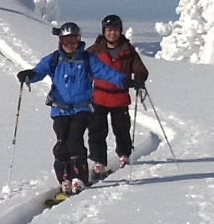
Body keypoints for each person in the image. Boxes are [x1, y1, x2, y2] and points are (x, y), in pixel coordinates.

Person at [16, 22, 127, 194]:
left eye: (73, 41)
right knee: (62, 145)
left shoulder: (87, 59)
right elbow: (39, 71)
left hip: (81, 109)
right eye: (66, 41)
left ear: (79, 40)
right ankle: (65, 178)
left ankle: (80, 178)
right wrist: (28, 75)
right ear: (60, 41)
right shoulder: (53, 59)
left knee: (75, 141)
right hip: (59, 110)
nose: (70, 45)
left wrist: (124, 80)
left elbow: (106, 72)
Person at [88, 14, 150, 170]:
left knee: (122, 130)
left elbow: (139, 67)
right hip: (99, 98)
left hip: (120, 98)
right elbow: (82, 65)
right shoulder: (95, 49)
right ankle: (99, 161)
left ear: (120, 31)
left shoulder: (128, 49)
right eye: (108, 30)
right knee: (97, 132)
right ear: (103, 31)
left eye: (115, 30)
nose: (112, 33)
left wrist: (140, 77)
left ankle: (124, 156)